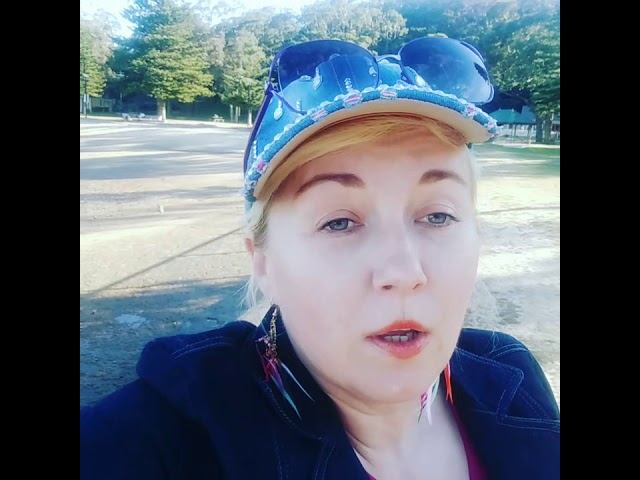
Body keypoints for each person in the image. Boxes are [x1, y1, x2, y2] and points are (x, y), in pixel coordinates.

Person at [81, 36, 560, 480]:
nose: (404, 273)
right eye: (339, 222)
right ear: (262, 261)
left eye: (438, 216)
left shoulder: (512, 376)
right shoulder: (161, 437)